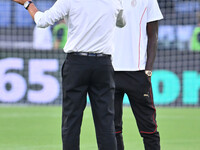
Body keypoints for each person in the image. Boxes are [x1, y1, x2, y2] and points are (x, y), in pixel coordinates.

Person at [12, 0, 125, 150]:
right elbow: (122, 22)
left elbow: (42, 21)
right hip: (103, 65)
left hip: (77, 64)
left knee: (71, 121)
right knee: (106, 122)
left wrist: (28, 4)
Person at [112, 0, 163, 150]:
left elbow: (153, 36)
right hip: (109, 72)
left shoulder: (148, 1)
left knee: (149, 128)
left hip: (138, 73)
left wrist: (148, 70)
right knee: (112, 129)